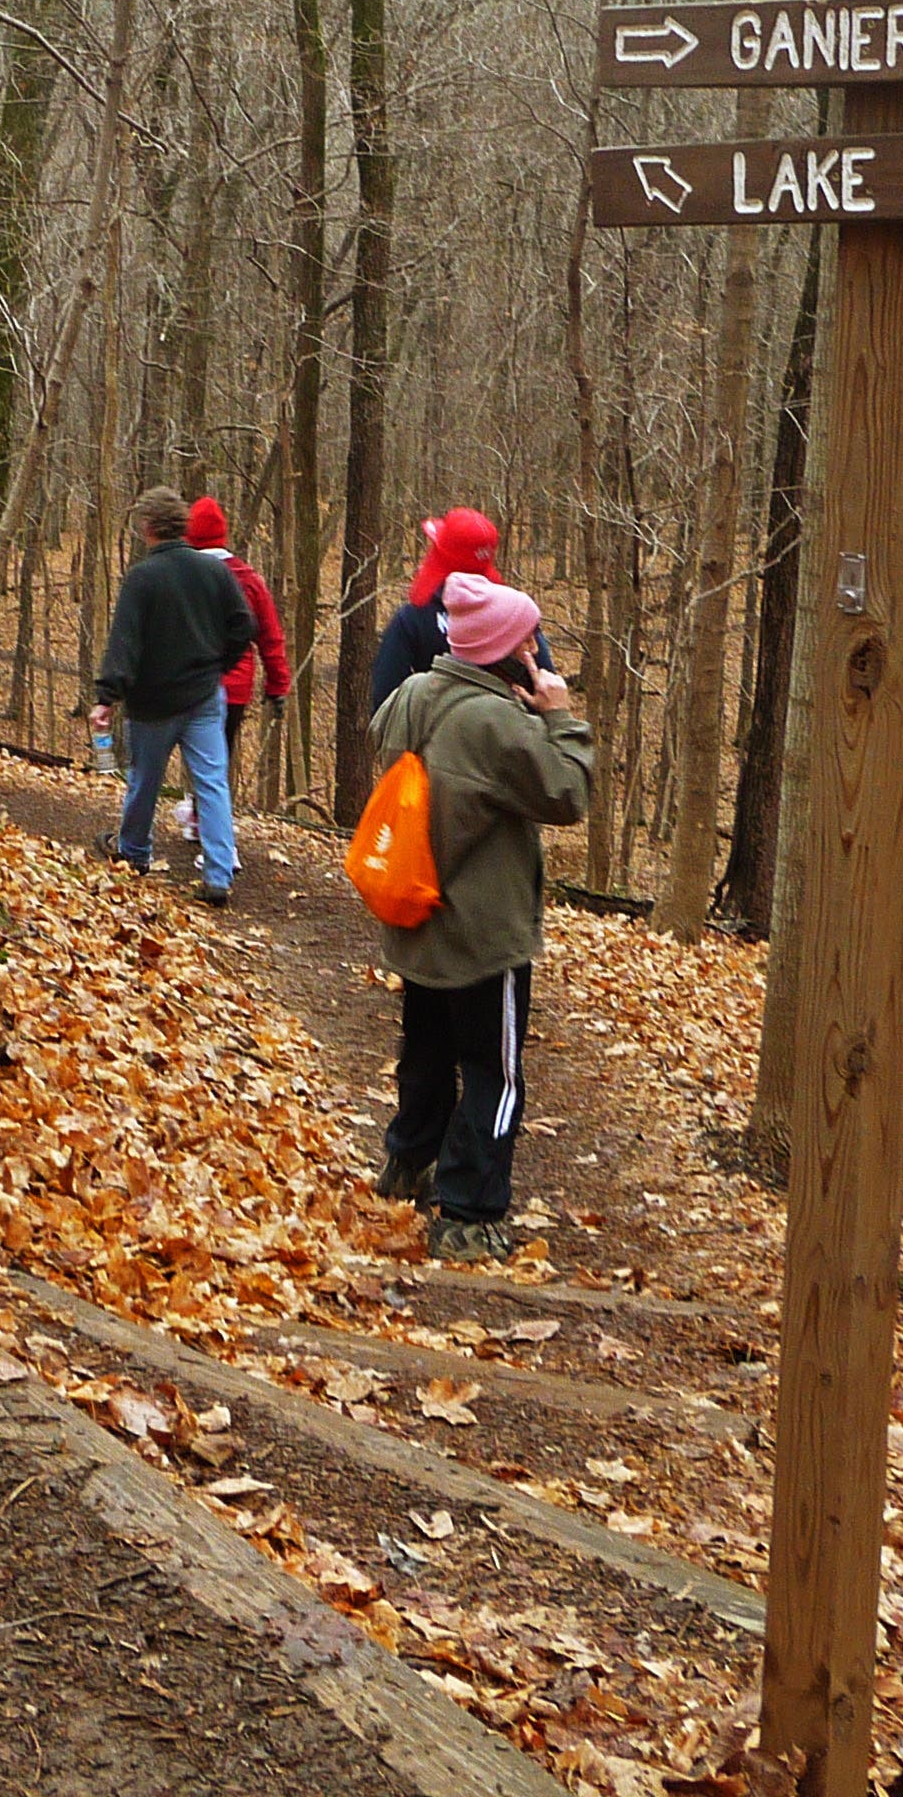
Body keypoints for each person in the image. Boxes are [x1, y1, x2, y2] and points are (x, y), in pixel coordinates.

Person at [367, 571, 593, 1264]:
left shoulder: (414, 693)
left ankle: (409, 1163)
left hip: (418, 918)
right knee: (495, 1074)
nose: (537, 653)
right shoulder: (497, 723)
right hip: (484, 936)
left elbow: (379, 732)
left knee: (427, 1053)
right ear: (500, 652)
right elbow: (568, 793)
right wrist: (560, 717)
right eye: (527, 643)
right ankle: (469, 1213)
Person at [91, 485, 257, 908]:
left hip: (153, 703)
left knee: (145, 781)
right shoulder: (213, 571)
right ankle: (218, 875)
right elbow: (244, 625)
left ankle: (134, 852)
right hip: (205, 696)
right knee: (212, 783)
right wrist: (219, 664)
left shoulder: (142, 578)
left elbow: (124, 643)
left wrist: (106, 696)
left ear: (147, 526)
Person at [370, 507, 550, 712]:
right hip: (510, 727)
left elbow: (384, 699)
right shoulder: (513, 617)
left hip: (436, 728)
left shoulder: (413, 618)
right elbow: (546, 683)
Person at [186, 496, 291, 769]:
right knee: (216, 763)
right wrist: (277, 686)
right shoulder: (248, 578)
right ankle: (208, 797)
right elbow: (270, 636)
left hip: (185, 681)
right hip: (234, 686)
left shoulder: (180, 576)